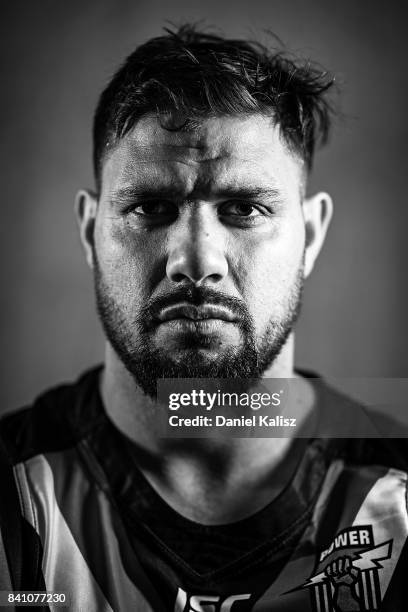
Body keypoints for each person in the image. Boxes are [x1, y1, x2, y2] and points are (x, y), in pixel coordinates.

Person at [0, 24, 406, 612]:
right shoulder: (15, 495)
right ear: (91, 232)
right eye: (150, 207)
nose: (195, 260)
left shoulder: (397, 496)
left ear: (311, 237)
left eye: (244, 208)